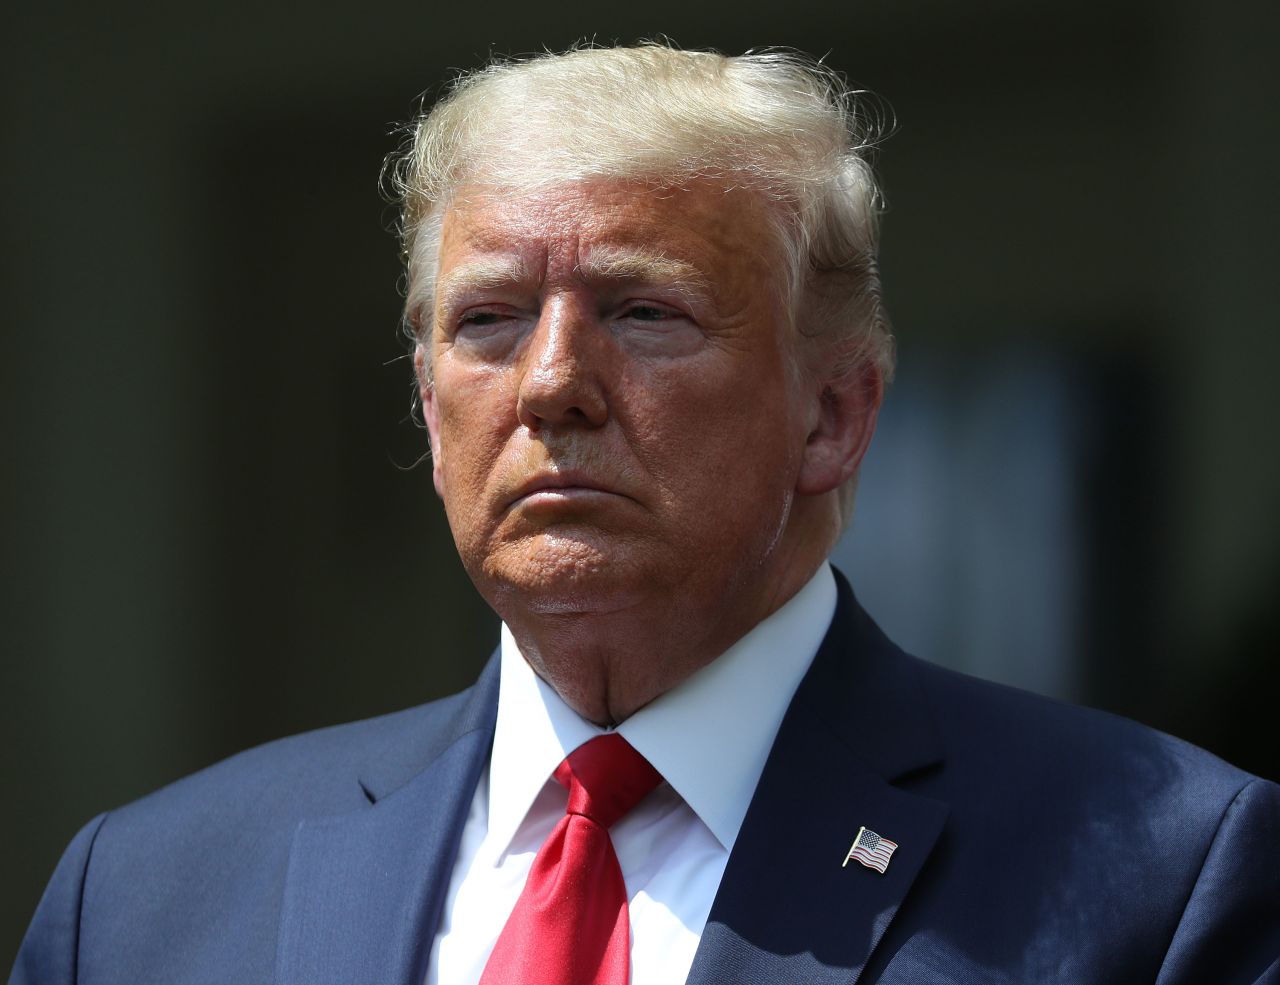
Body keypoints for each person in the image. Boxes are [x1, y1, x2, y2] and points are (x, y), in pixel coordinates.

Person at [10, 43, 1279, 985]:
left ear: (832, 414)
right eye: (487, 320)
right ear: (426, 403)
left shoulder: (1159, 879)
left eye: (643, 312)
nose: (552, 383)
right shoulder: (139, 899)